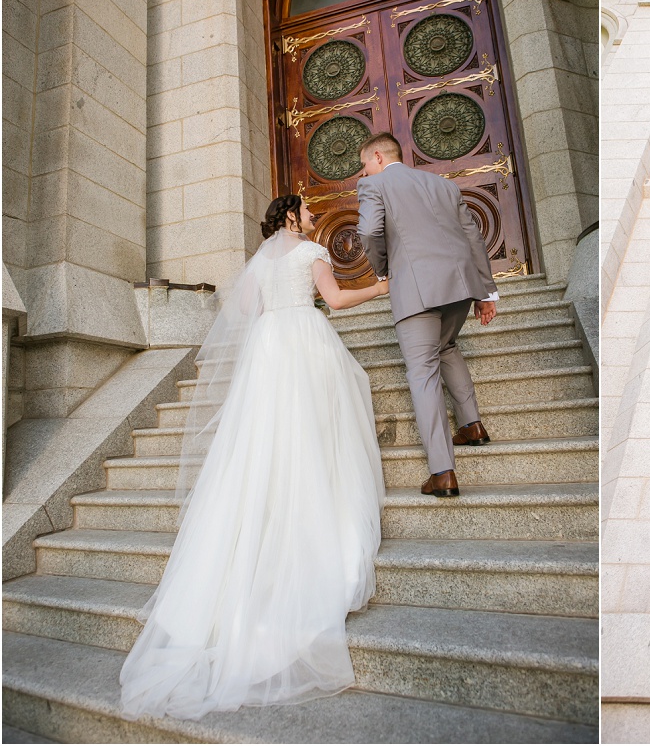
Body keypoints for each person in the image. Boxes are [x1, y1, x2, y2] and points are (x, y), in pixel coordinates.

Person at [119, 194, 388, 720]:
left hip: (268, 346)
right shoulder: (311, 251)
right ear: (292, 217)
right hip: (304, 340)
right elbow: (333, 302)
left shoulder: (263, 258)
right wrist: (380, 286)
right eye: (307, 210)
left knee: (266, 436)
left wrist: (276, 309)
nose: (313, 216)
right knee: (312, 427)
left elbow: (244, 310)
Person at [355, 132, 497, 499]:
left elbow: (369, 231)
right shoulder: (442, 184)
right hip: (460, 286)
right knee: (446, 345)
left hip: (416, 289)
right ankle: (472, 425)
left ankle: (442, 471)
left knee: (422, 373)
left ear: (378, 157)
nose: (364, 171)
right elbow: (473, 237)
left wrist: (384, 269)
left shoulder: (373, 186)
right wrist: (485, 291)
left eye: (364, 164)